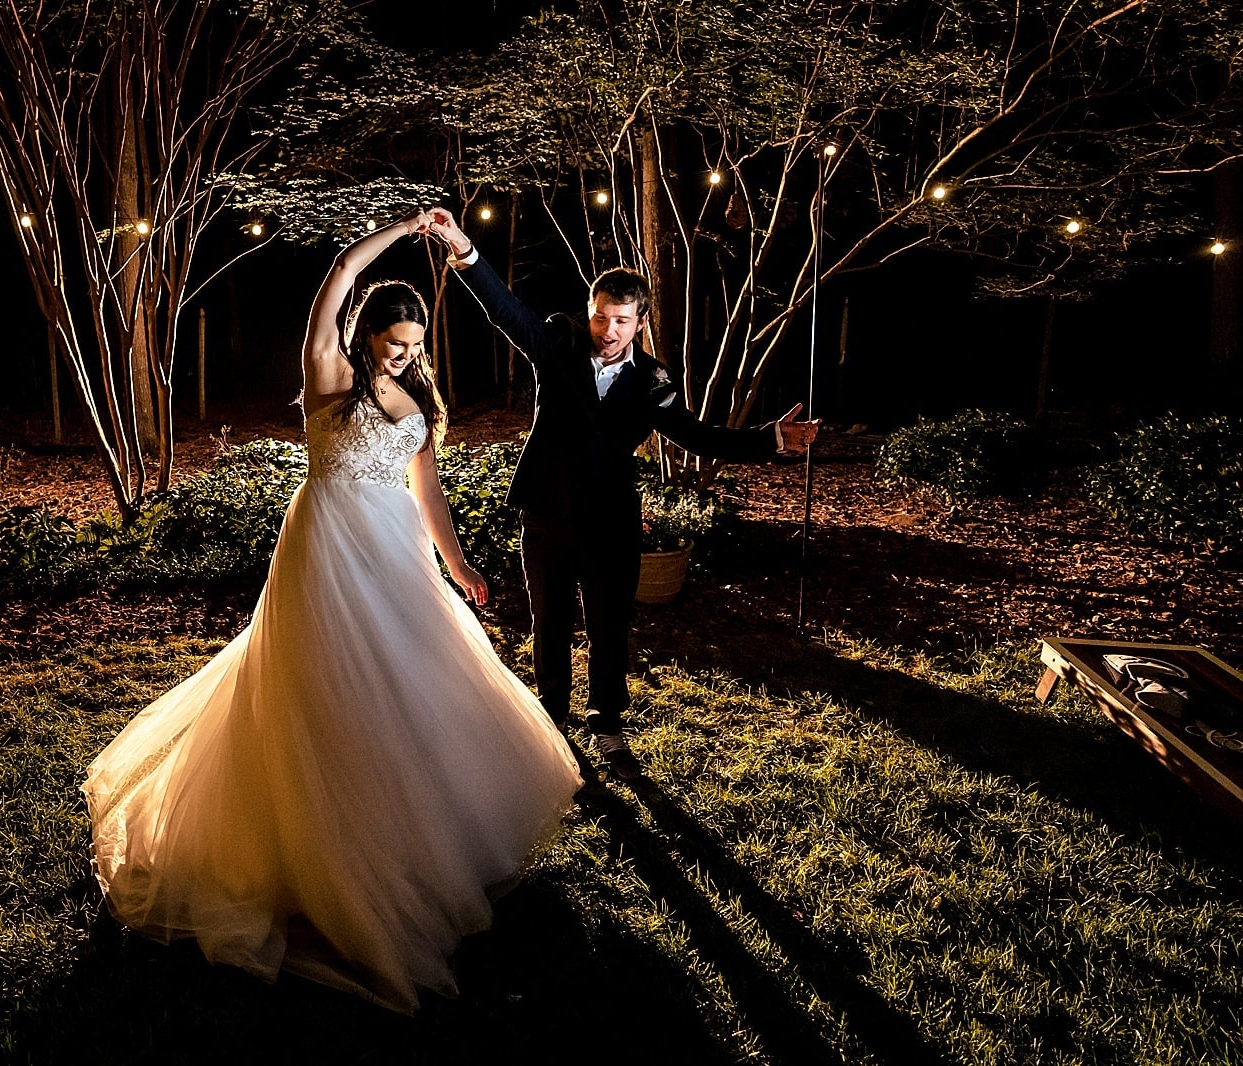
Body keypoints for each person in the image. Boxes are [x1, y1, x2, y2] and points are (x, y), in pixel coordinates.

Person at [81, 210, 582, 1015]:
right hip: (327, 547)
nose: (408, 356)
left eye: (416, 346)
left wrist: (457, 564)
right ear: (363, 336)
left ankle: (416, 841)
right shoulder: (329, 374)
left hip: (396, 553)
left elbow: (427, 490)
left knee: (414, 687)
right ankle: (321, 858)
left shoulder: (416, 393)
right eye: (394, 345)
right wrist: (404, 228)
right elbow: (337, 276)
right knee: (326, 691)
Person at [425, 206, 818, 782]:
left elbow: (695, 434)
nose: (608, 332)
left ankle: (607, 723)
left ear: (639, 323)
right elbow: (507, 311)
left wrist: (772, 440)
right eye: (601, 318)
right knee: (549, 621)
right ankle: (552, 721)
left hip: (610, 521)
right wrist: (463, 247)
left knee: (610, 625)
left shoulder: (654, 381)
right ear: (589, 313)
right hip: (548, 513)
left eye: (622, 322)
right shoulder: (558, 343)